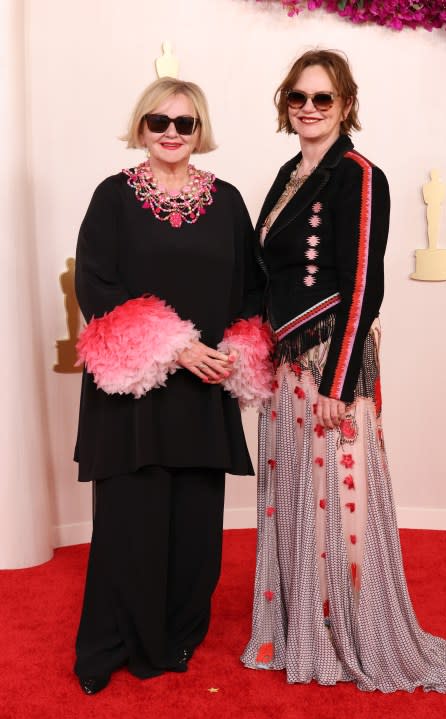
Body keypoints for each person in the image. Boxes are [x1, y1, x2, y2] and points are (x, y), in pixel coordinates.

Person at [241, 49, 446, 693]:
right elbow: (269, 274)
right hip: (287, 363)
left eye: (323, 99)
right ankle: (301, 623)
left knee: (341, 503)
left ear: (346, 106)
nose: (309, 109)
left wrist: (340, 386)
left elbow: (363, 285)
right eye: (298, 98)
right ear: (285, 105)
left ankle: (353, 630)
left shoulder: (360, 175)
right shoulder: (289, 172)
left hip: (329, 364)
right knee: (293, 505)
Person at [73, 76, 271, 695]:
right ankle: (111, 646)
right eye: (158, 121)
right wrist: (175, 346)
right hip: (137, 390)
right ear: (141, 126)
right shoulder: (113, 197)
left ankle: (177, 637)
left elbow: (253, 289)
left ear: (199, 131)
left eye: (184, 123)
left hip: (203, 386)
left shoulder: (231, 200)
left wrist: (233, 352)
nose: (170, 133)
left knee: (193, 525)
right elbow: (96, 287)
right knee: (130, 523)